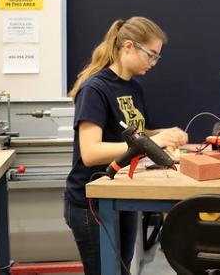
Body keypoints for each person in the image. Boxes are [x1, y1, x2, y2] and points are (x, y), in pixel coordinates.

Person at [64, 17, 188, 274]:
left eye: (157, 57)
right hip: (92, 202)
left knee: (121, 270)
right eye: (150, 55)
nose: (153, 63)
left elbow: (136, 135)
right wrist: (152, 141)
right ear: (128, 46)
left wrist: (165, 134)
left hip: (121, 193)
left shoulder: (133, 87)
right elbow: (90, 153)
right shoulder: (95, 89)